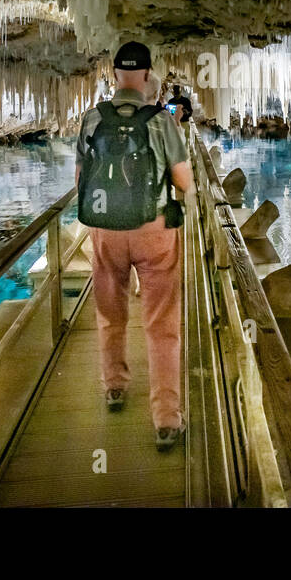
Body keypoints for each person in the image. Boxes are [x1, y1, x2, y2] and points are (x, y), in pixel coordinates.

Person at [75, 41, 194, 451]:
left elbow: (81, 183)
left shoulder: (92, 120)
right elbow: (184, 182)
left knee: (111, 314)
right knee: (162, 326)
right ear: (146, 76)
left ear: (113, 75)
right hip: (154, 232)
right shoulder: (162, 121)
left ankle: (114, 387)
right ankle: (165, 419)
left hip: (105, 233)